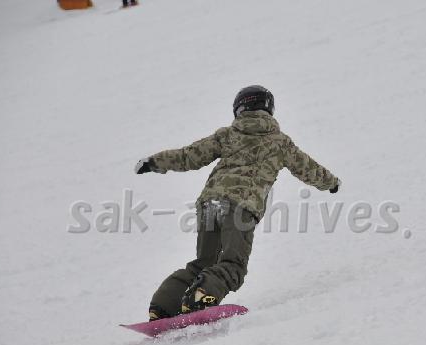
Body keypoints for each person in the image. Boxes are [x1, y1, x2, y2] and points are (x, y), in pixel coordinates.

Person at [135, 85, 340, 321]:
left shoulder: (227, 135)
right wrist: (331, 183)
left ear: (239, 109)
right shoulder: (280, 142)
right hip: (240, 207)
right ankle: (202, 296)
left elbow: (188, 156)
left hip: (209, 204)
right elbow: (308, 169)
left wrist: (154, 162)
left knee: (204, 263)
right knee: (233, 265)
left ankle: (163, 306)